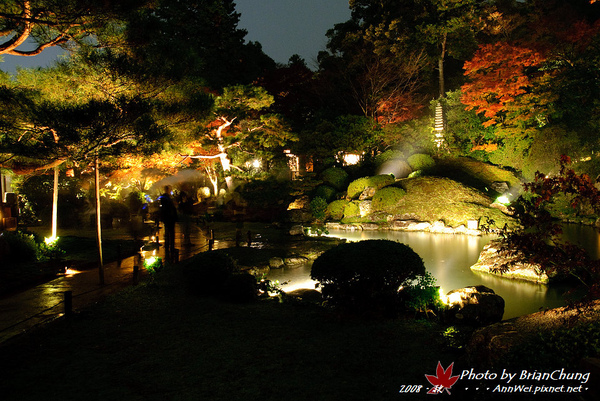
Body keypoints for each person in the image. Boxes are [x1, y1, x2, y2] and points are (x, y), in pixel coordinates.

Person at [158, 186, 178, 257]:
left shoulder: (165, 197)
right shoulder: (166, 198)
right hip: (169, 217)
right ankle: (171, 247)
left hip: (167, 217)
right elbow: (169, 208)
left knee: (168, 232)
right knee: (171, 232)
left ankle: (168, 246)